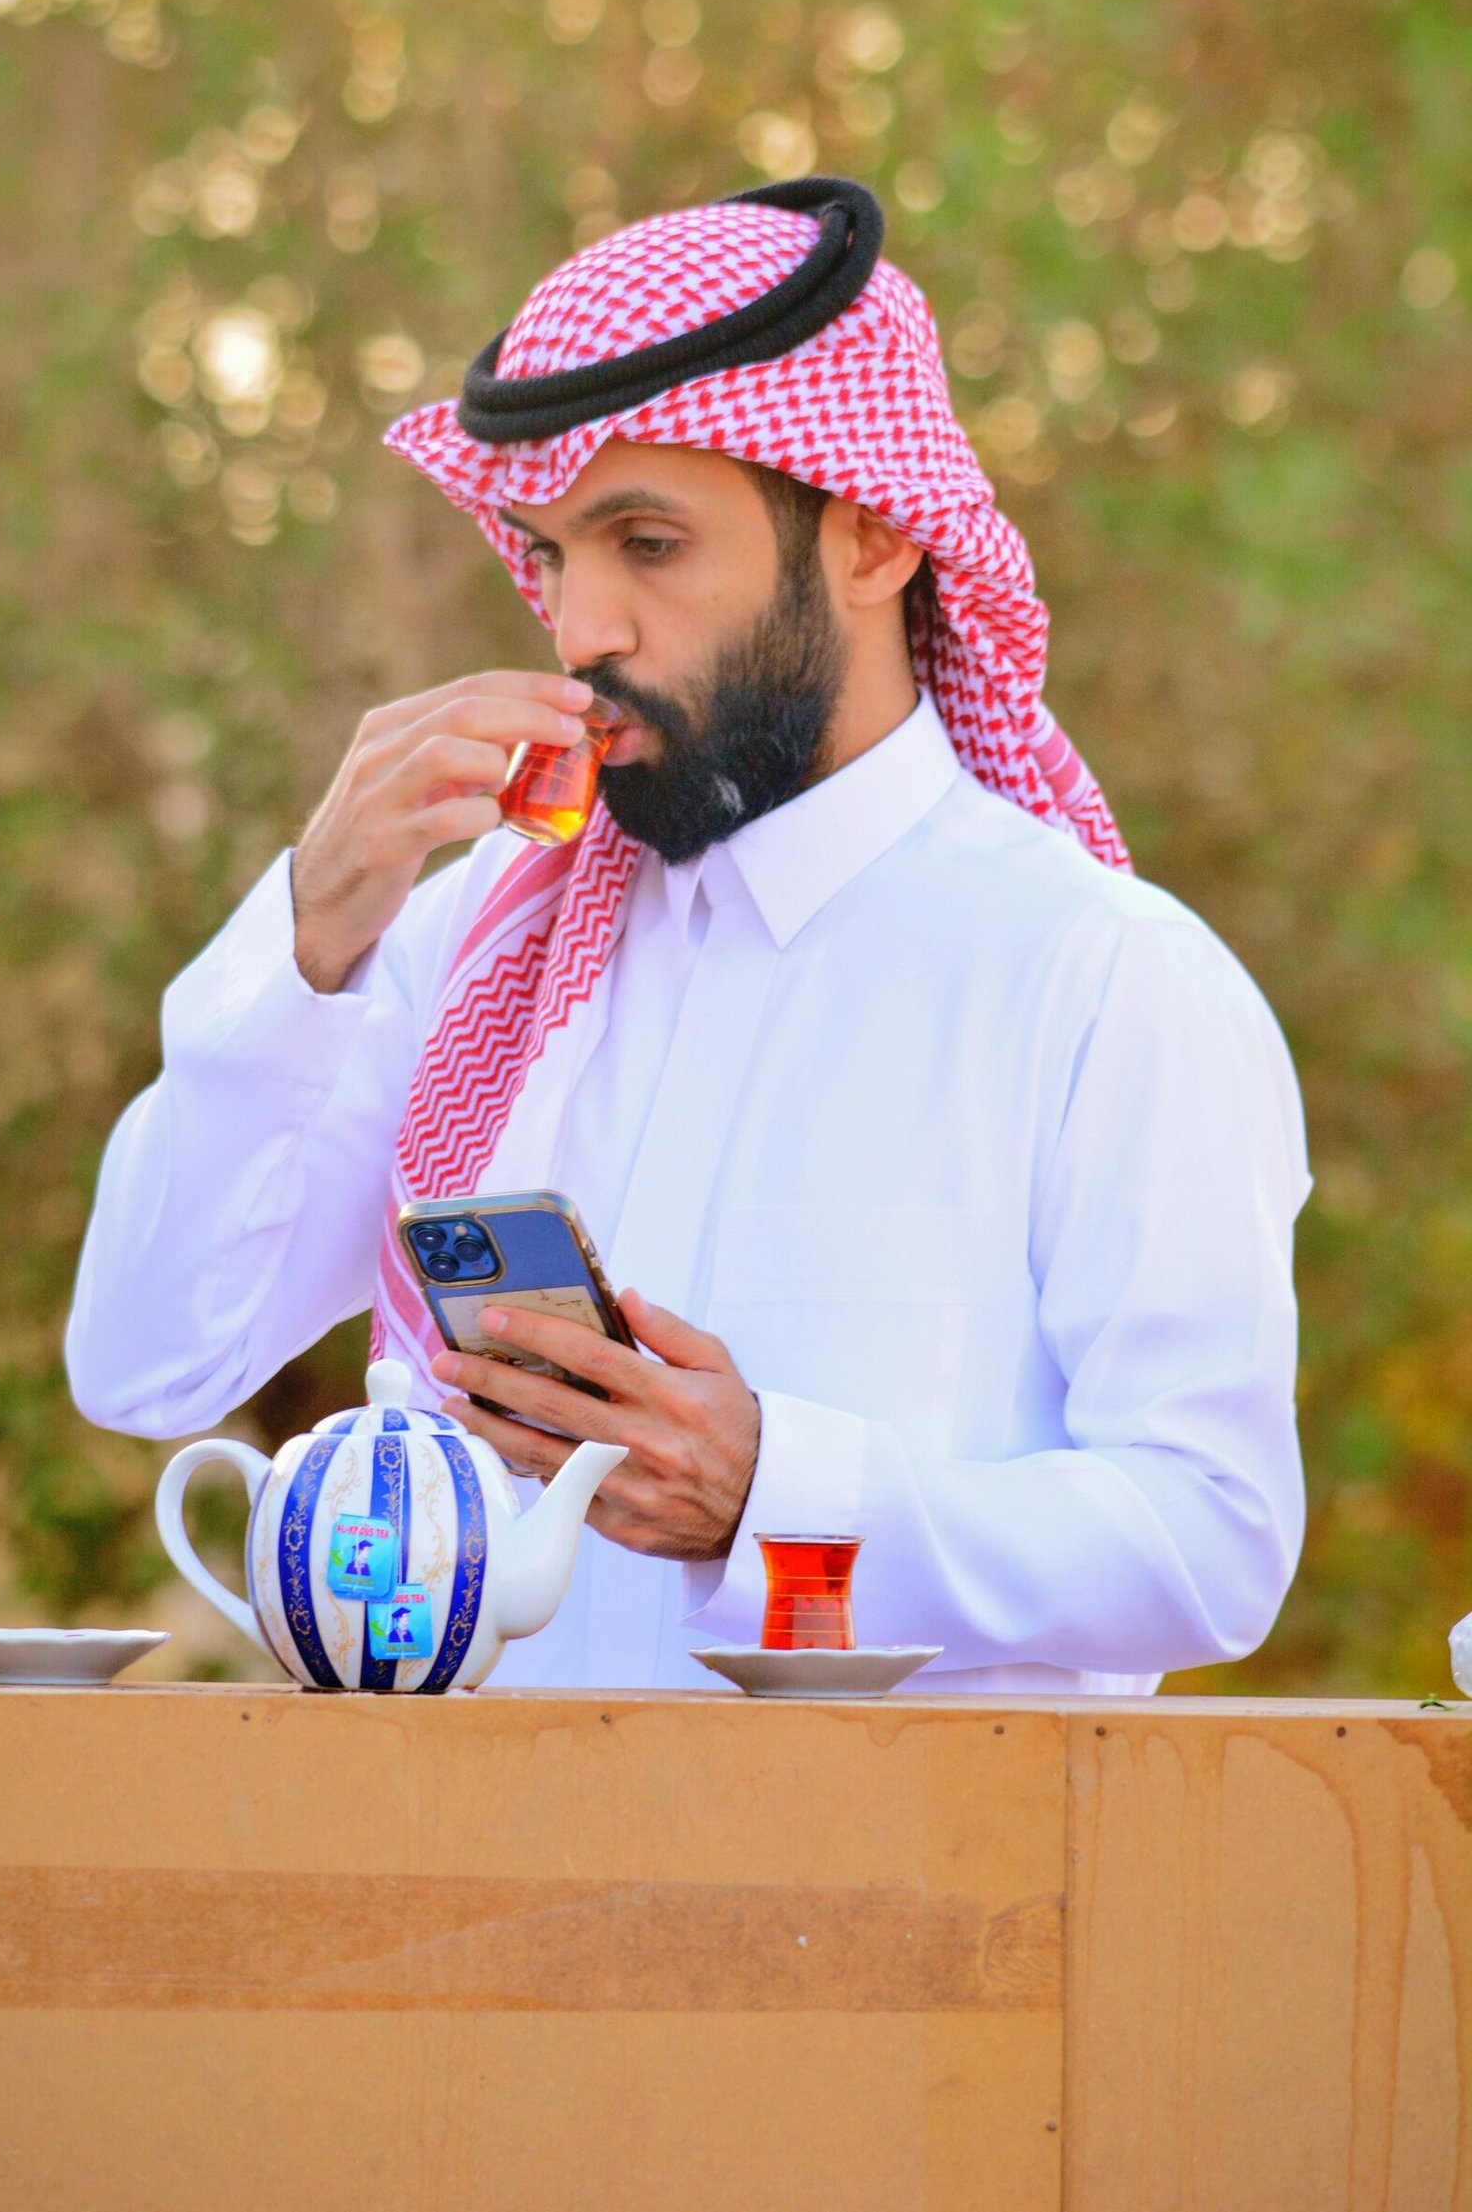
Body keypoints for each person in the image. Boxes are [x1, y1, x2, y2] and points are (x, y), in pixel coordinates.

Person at [67, 178, 1311, 1695]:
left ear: (872, 539)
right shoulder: (473, 948)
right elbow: (146, 1361)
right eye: (547, 555)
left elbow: (1211, 1540)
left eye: (646, 543)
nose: (579, 624)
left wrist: (779, 1496)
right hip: (466, 1900)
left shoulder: (1097, 975)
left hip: (912, 1911)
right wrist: (310, 932)